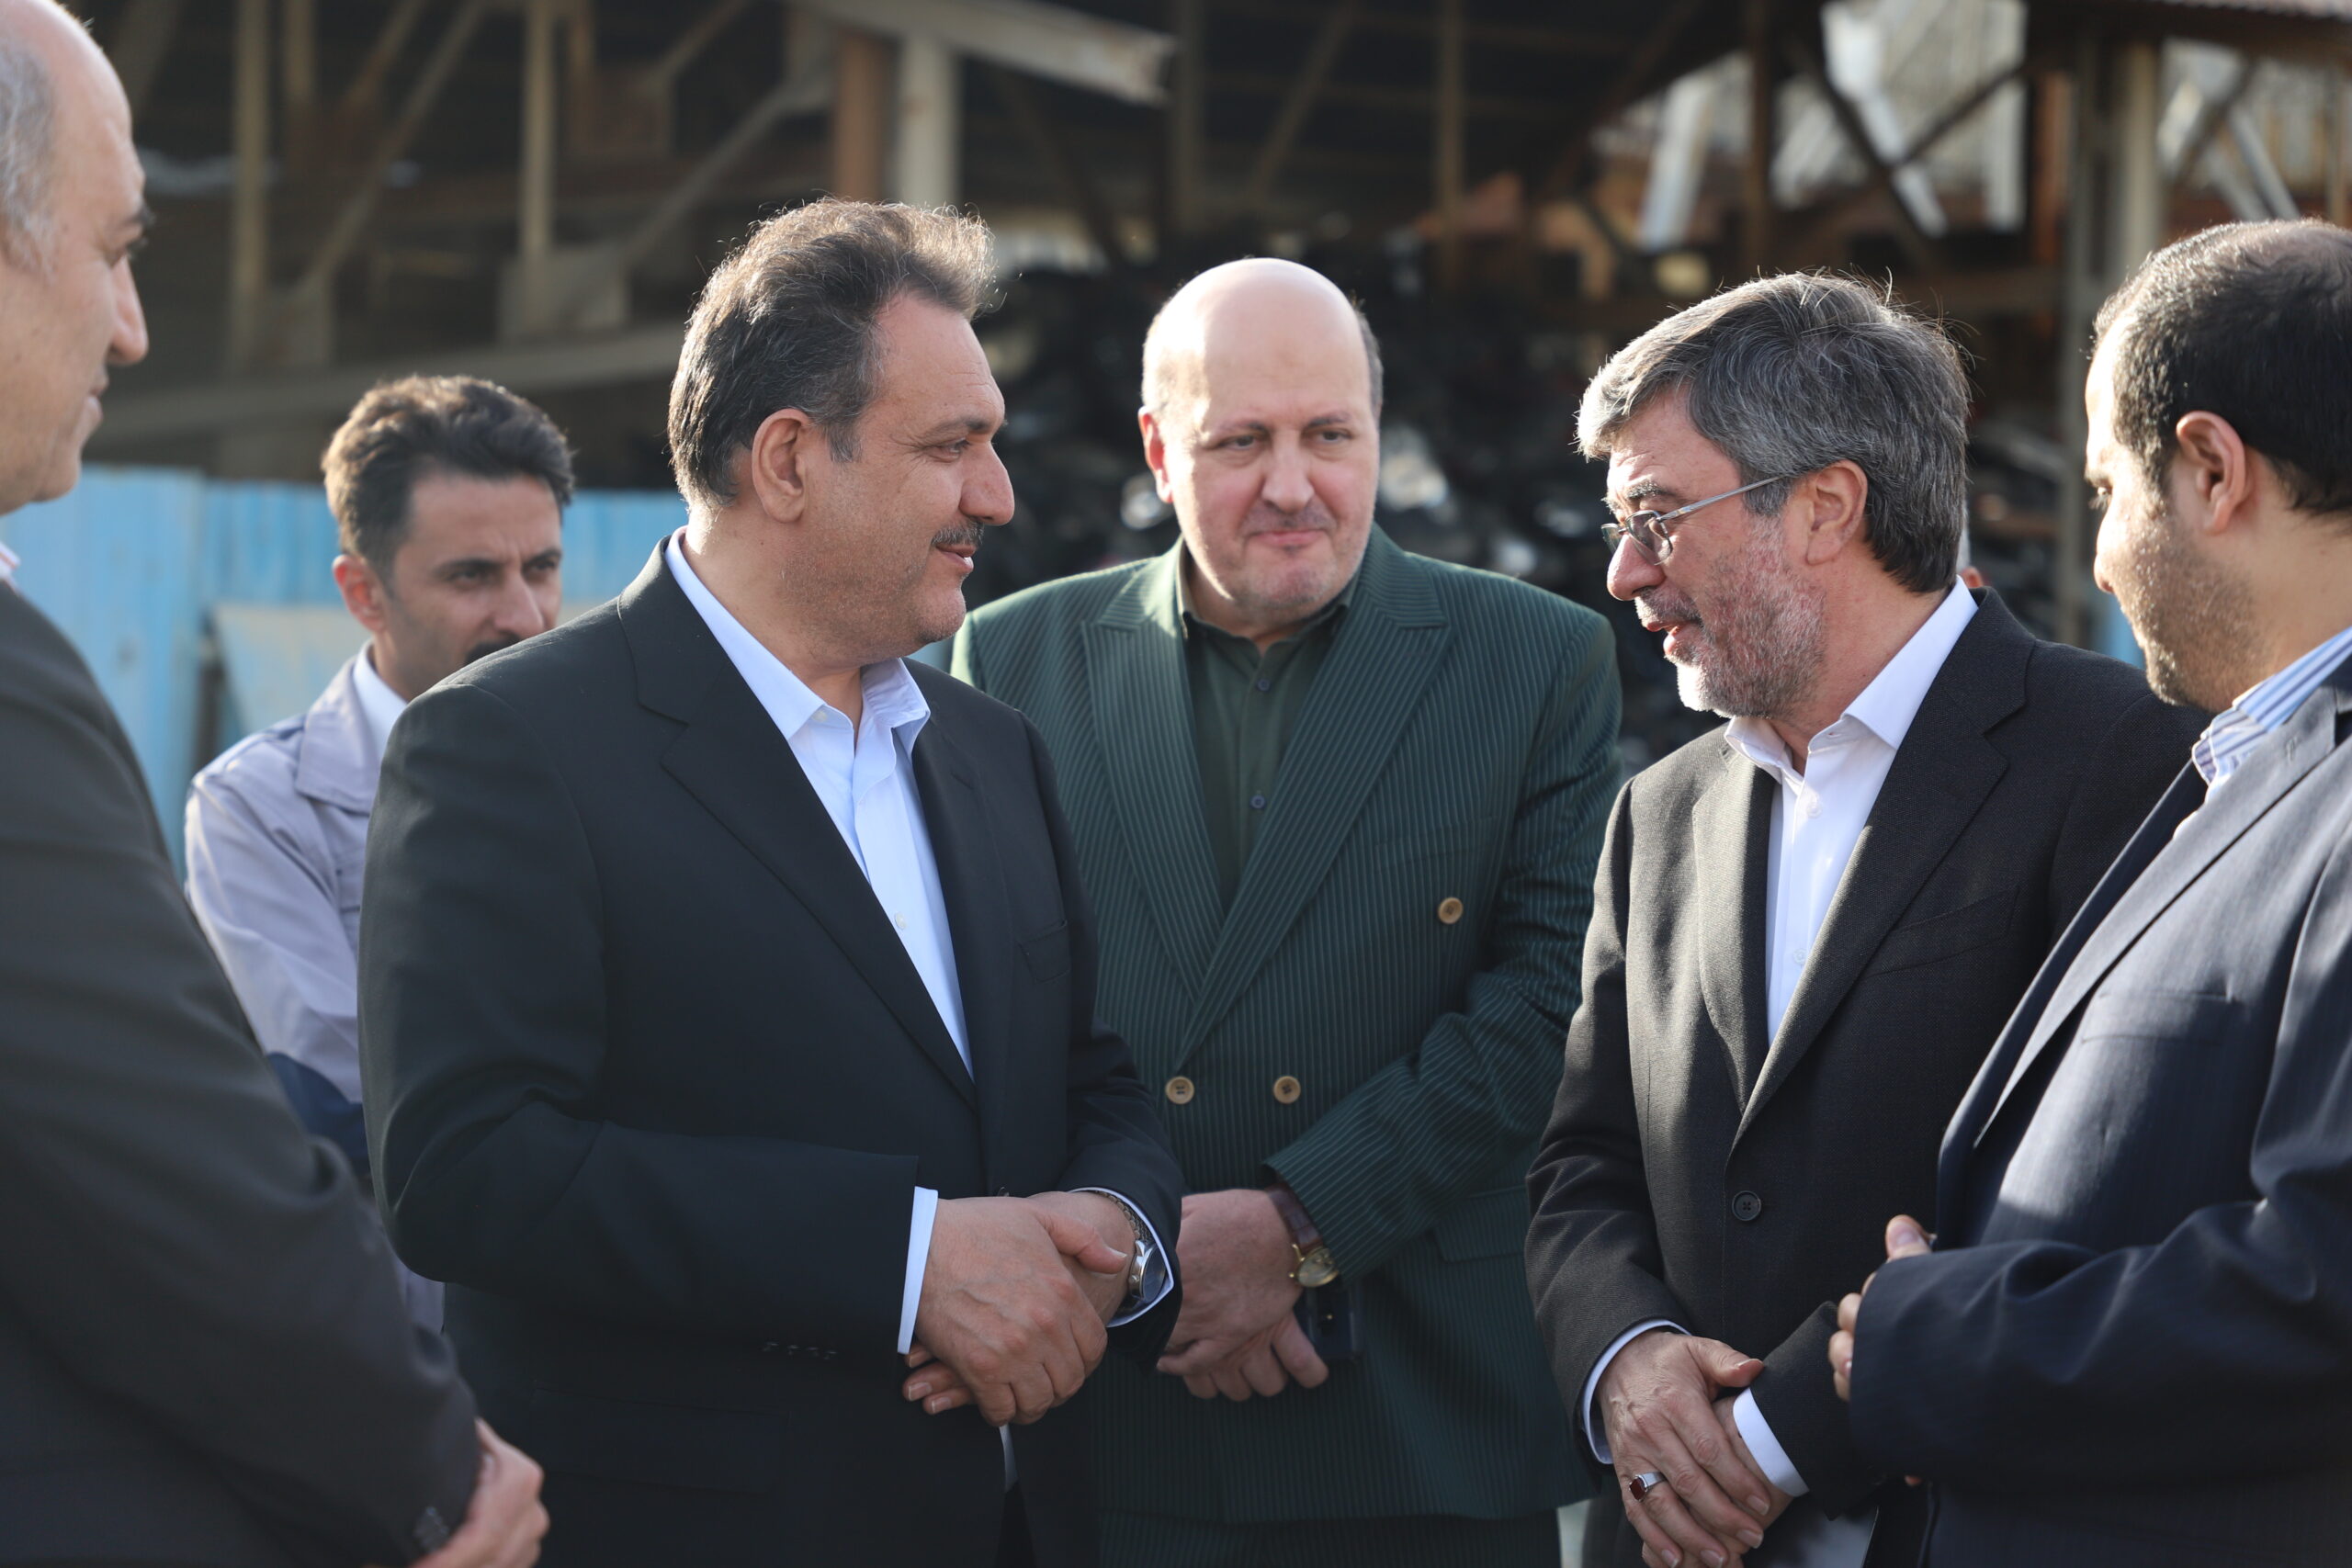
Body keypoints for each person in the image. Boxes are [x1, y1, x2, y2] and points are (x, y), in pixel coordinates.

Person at [359, 197, 1185, 1568]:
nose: (997, 495)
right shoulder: (508, 743)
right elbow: (467, 1165)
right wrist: (904, 1261)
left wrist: (1112, 1232)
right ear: (791, 460)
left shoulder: (992, 749)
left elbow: (1095, 1083)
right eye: (951, 446)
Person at [1522, 273, 2198, 1568]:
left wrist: (1772, 1438)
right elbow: (1584, 1166)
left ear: (1826, 505)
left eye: (1657, 516)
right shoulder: (1660, 810)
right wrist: (1629, 1362)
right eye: (1619, 524)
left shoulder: (2121, 761)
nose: (1623, 572)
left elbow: (2102, 1193)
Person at [953, 257, 1621, 1567]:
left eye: (1330, 435)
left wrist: (1299, 1225)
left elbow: (1555, 997)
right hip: (1122, 1396)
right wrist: (1161, 1254)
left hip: (1419, 1417)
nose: (1292, 484)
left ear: (1379, 435)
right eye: (1239, 441)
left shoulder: (1534, 659)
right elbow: (991, 1005)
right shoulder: (1014, 659)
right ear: (1159, 450)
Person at [0, 2, 543, 1563]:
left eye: (539, 567)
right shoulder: (246, 796)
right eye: (112, 252)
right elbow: (179, 1172)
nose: (132, 327)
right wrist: (430, 1469)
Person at [1824, 220, 2352, 1567]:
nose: (2102, 556)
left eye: (2111, 486)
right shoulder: (2252, 761)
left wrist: (1939, 1336)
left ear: (2213, 470)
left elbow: (2325, 1283)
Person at [186, 375, 571, 1327]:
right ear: (364, 592)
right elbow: (347, 1100)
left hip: (604, 1345)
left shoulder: (621, 765)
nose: (524, 616)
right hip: (406, 1340)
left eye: (541, 568)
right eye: (471, 576)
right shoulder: (258, 807)